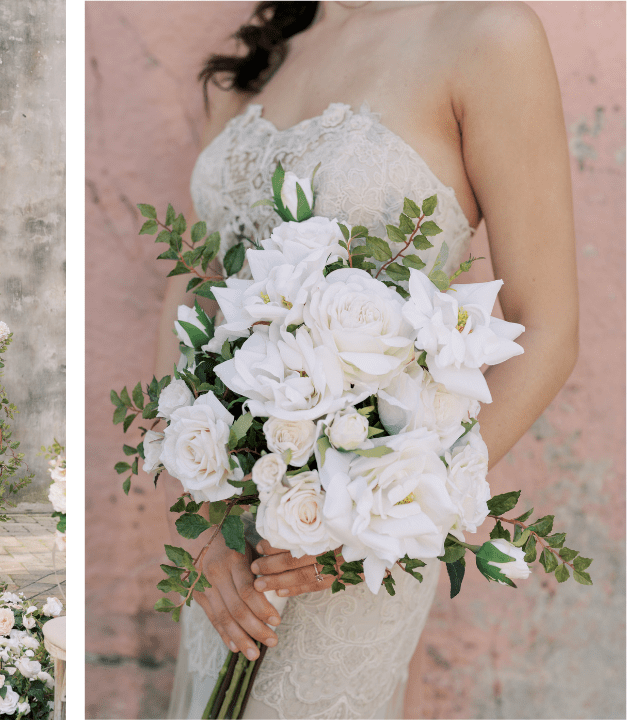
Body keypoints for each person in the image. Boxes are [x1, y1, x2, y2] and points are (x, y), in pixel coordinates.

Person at [158, 3, 578, 717]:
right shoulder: (248, 70)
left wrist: (388, 514)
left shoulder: (487, 36)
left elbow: (549, 331)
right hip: (231, 544)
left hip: (358, 546)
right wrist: (206, 516)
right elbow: (191, 310)